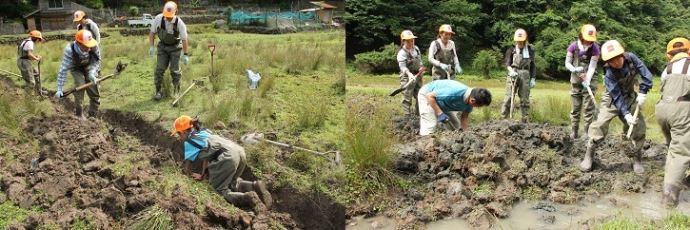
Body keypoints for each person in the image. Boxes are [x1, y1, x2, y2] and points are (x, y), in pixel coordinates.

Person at [579, 40, 652, 174]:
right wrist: (626, 114)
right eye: (611, 61)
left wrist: (643, 91)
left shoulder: (632, 59)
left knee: (638, 125)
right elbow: (616, 96)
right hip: (612, 99)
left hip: (629, 96)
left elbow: (646, 75)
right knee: (599, 124)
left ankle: (637, 158)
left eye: (617, 58)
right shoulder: (609, 73)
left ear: (622, 55)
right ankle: (589, 154)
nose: (615, 62)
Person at [172, 115, 273, 211]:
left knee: (219, 190)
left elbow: (187, 165)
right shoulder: (204, 132)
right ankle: (254, 185)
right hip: (239, 151)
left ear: (184, 132)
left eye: (178, 133)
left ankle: (249, 198)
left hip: (227, 157)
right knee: (232, 182)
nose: (179, 136)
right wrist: (203, 175)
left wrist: (186, 175)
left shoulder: (189, 142)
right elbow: (207, 158)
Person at [657, 37, 690, 208]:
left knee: (674, 145)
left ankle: (685, 177)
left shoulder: (666, 70)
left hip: (662, 111)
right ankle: (669, 198)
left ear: (669, 55)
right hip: (680, 110)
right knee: (680, 151)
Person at [418, 80, 492, 135]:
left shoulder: (470, 100)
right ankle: (423, 145)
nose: (477, 108)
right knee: (431, 124)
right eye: (478, 106)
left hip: (443, 101)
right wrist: (440, 113)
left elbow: (464, 117)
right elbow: (430, 96)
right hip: (427, 94)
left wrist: (466, 134)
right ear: (473, 100)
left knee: (456, 126)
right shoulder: (454, 93)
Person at [55, 30, 101, 119]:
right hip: (76, 69)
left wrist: (92, 72)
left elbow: (96, 61)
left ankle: (93, 115)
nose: (89, 48)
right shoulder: (70, 50)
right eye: (86, 46)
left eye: (90, 45)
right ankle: (79, 115)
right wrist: (59, 88)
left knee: (94, 89)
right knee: (80, 85)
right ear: (79, 43)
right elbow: (63, 70)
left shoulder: (93, 45)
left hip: (89, 67)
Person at [565, 24, 600, 139]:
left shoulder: (595, 48)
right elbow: (567, 63)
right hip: (576, 80)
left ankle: (586, 132)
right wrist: (574, 69)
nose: (589, 41)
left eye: (591, 40)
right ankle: (574, 131)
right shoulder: (573, 46)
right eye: (587, 39)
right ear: (581, 35)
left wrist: (588, 79)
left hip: (589, 80)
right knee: (575, 107)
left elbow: (592, 66)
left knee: (588, 108)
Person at [149, 1, 189, 100]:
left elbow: (184, 39)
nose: (167, 18)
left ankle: (176, 92)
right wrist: (151, 46)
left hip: (175, 48)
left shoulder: (180, 23)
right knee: (159, 70)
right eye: (166, 15)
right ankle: (158, 91)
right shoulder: (158, 19)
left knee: (174, 71)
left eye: (170, 16)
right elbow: (152, 33)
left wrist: (186, 54)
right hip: (162, 47)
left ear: (176, 12)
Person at [500, 28, 536, 122]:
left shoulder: (530, 49)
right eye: (518, 41)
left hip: (525, 74)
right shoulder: (511, 49)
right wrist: (511, 71)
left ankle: (525, 119)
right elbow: (507, 63)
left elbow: (533, 66)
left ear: (525, 40)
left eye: (521, 41)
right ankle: (504, 118)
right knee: (508, 97)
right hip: (513, 73)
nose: (519, 43)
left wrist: (533, 78)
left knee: (524, 98)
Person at [397, 30, 424, 117]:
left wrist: (421, 67)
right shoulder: (401, 53)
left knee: (420, 95)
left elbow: (420, 61)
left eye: (412, 40)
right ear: (403, 41)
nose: (410, 42)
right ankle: (407, 117)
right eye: (408, 41)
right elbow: (403, 67)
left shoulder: (416, 49)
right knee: (407, 97)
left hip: (418, 75)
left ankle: (418, 115)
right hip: (407, 77)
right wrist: (409, 74)